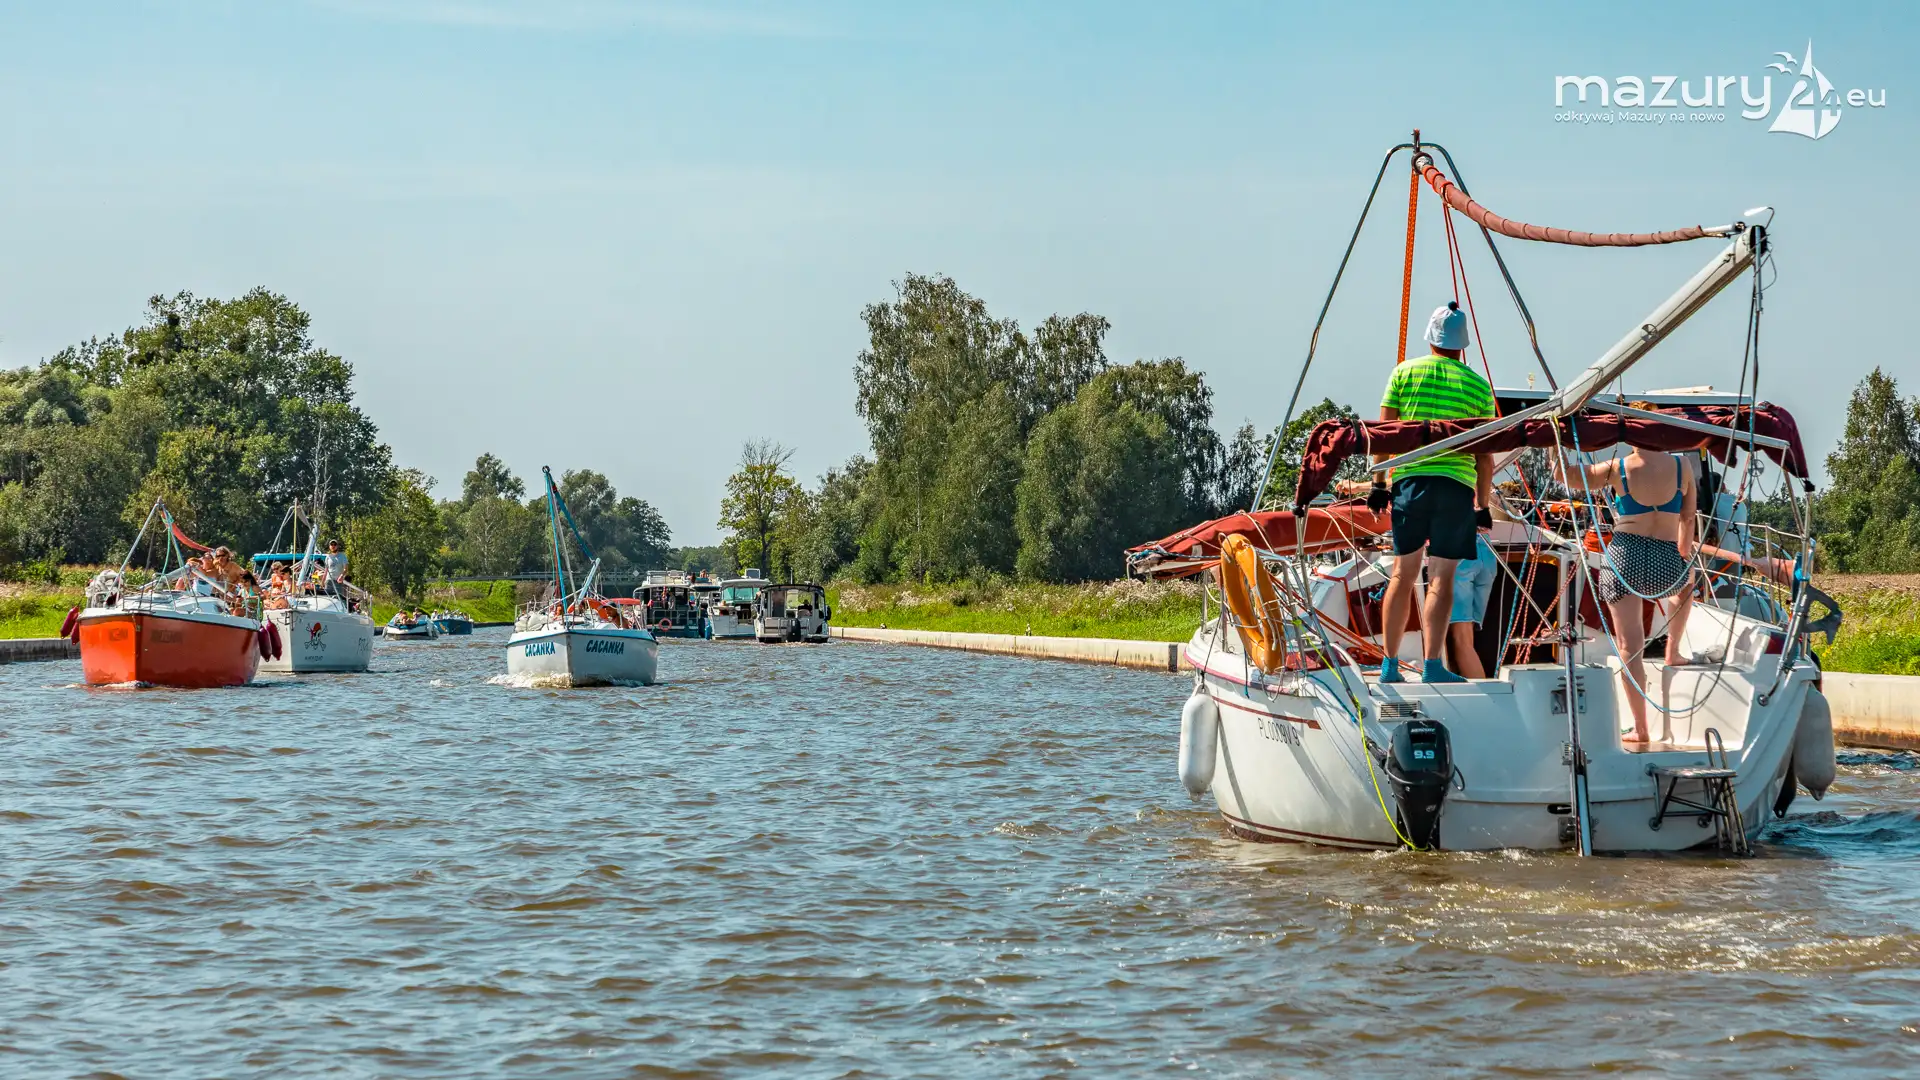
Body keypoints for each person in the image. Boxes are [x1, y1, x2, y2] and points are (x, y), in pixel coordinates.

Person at [1368, 301, 1496, 684]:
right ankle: (1433, 666)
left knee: (1402, 574)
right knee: (1441, 578)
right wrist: (1483, 505)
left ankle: (1390, 665)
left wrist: (1378, 484)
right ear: (1463, 345)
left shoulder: (1403, 373)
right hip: (1456, 488)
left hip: (1410, 483)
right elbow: (1485, 456)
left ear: (1430, 338)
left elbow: (1384, 434)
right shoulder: (1479, 386)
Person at [1558, 444, 1701, 746]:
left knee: (1630, 646)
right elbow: (1688, 518)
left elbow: (1566, 476)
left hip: (1625, 556)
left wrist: (1551, 446)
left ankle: (1641, 728)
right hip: (1666, 556)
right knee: (1687, 582)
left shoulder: (1618, 467)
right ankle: (1673, 650)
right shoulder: (1682, 466)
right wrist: (1681, 555)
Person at [1447, 528, 1498, 679]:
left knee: (1462, 641)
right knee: (1467, 639)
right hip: (1486, 550)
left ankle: (1483, 692)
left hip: (1460, 554)